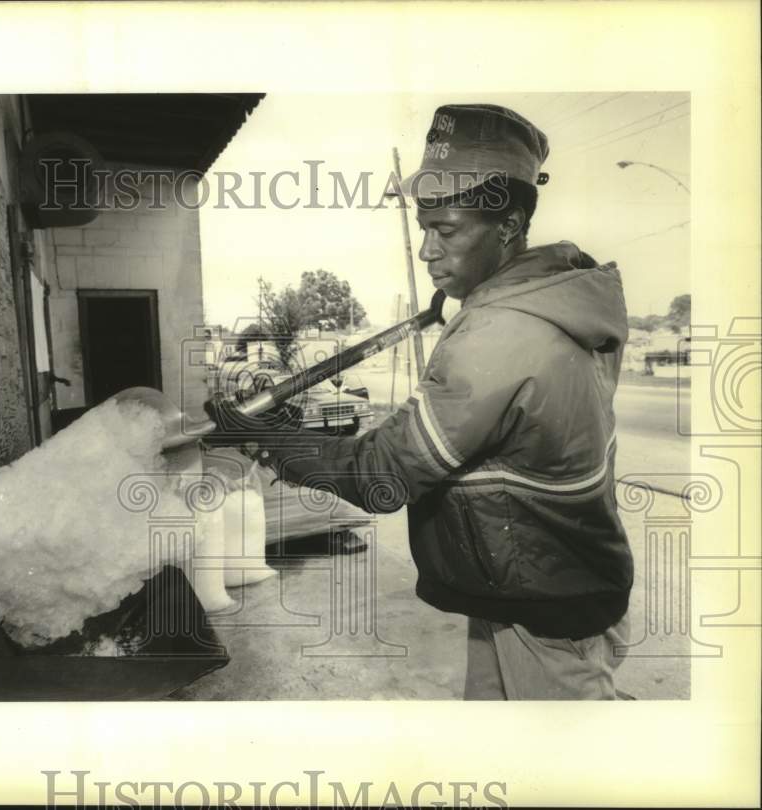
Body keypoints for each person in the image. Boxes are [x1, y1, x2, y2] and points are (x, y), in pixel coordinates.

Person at [204, 103, 633, 700]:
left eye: (447, 231)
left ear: (507, 225)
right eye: (424, 230)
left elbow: (384, 473)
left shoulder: (505, 331)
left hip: (549, 604)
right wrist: (292, 430)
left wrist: (273, 437)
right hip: (522, 580)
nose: (429, 250)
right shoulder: (554, 298)